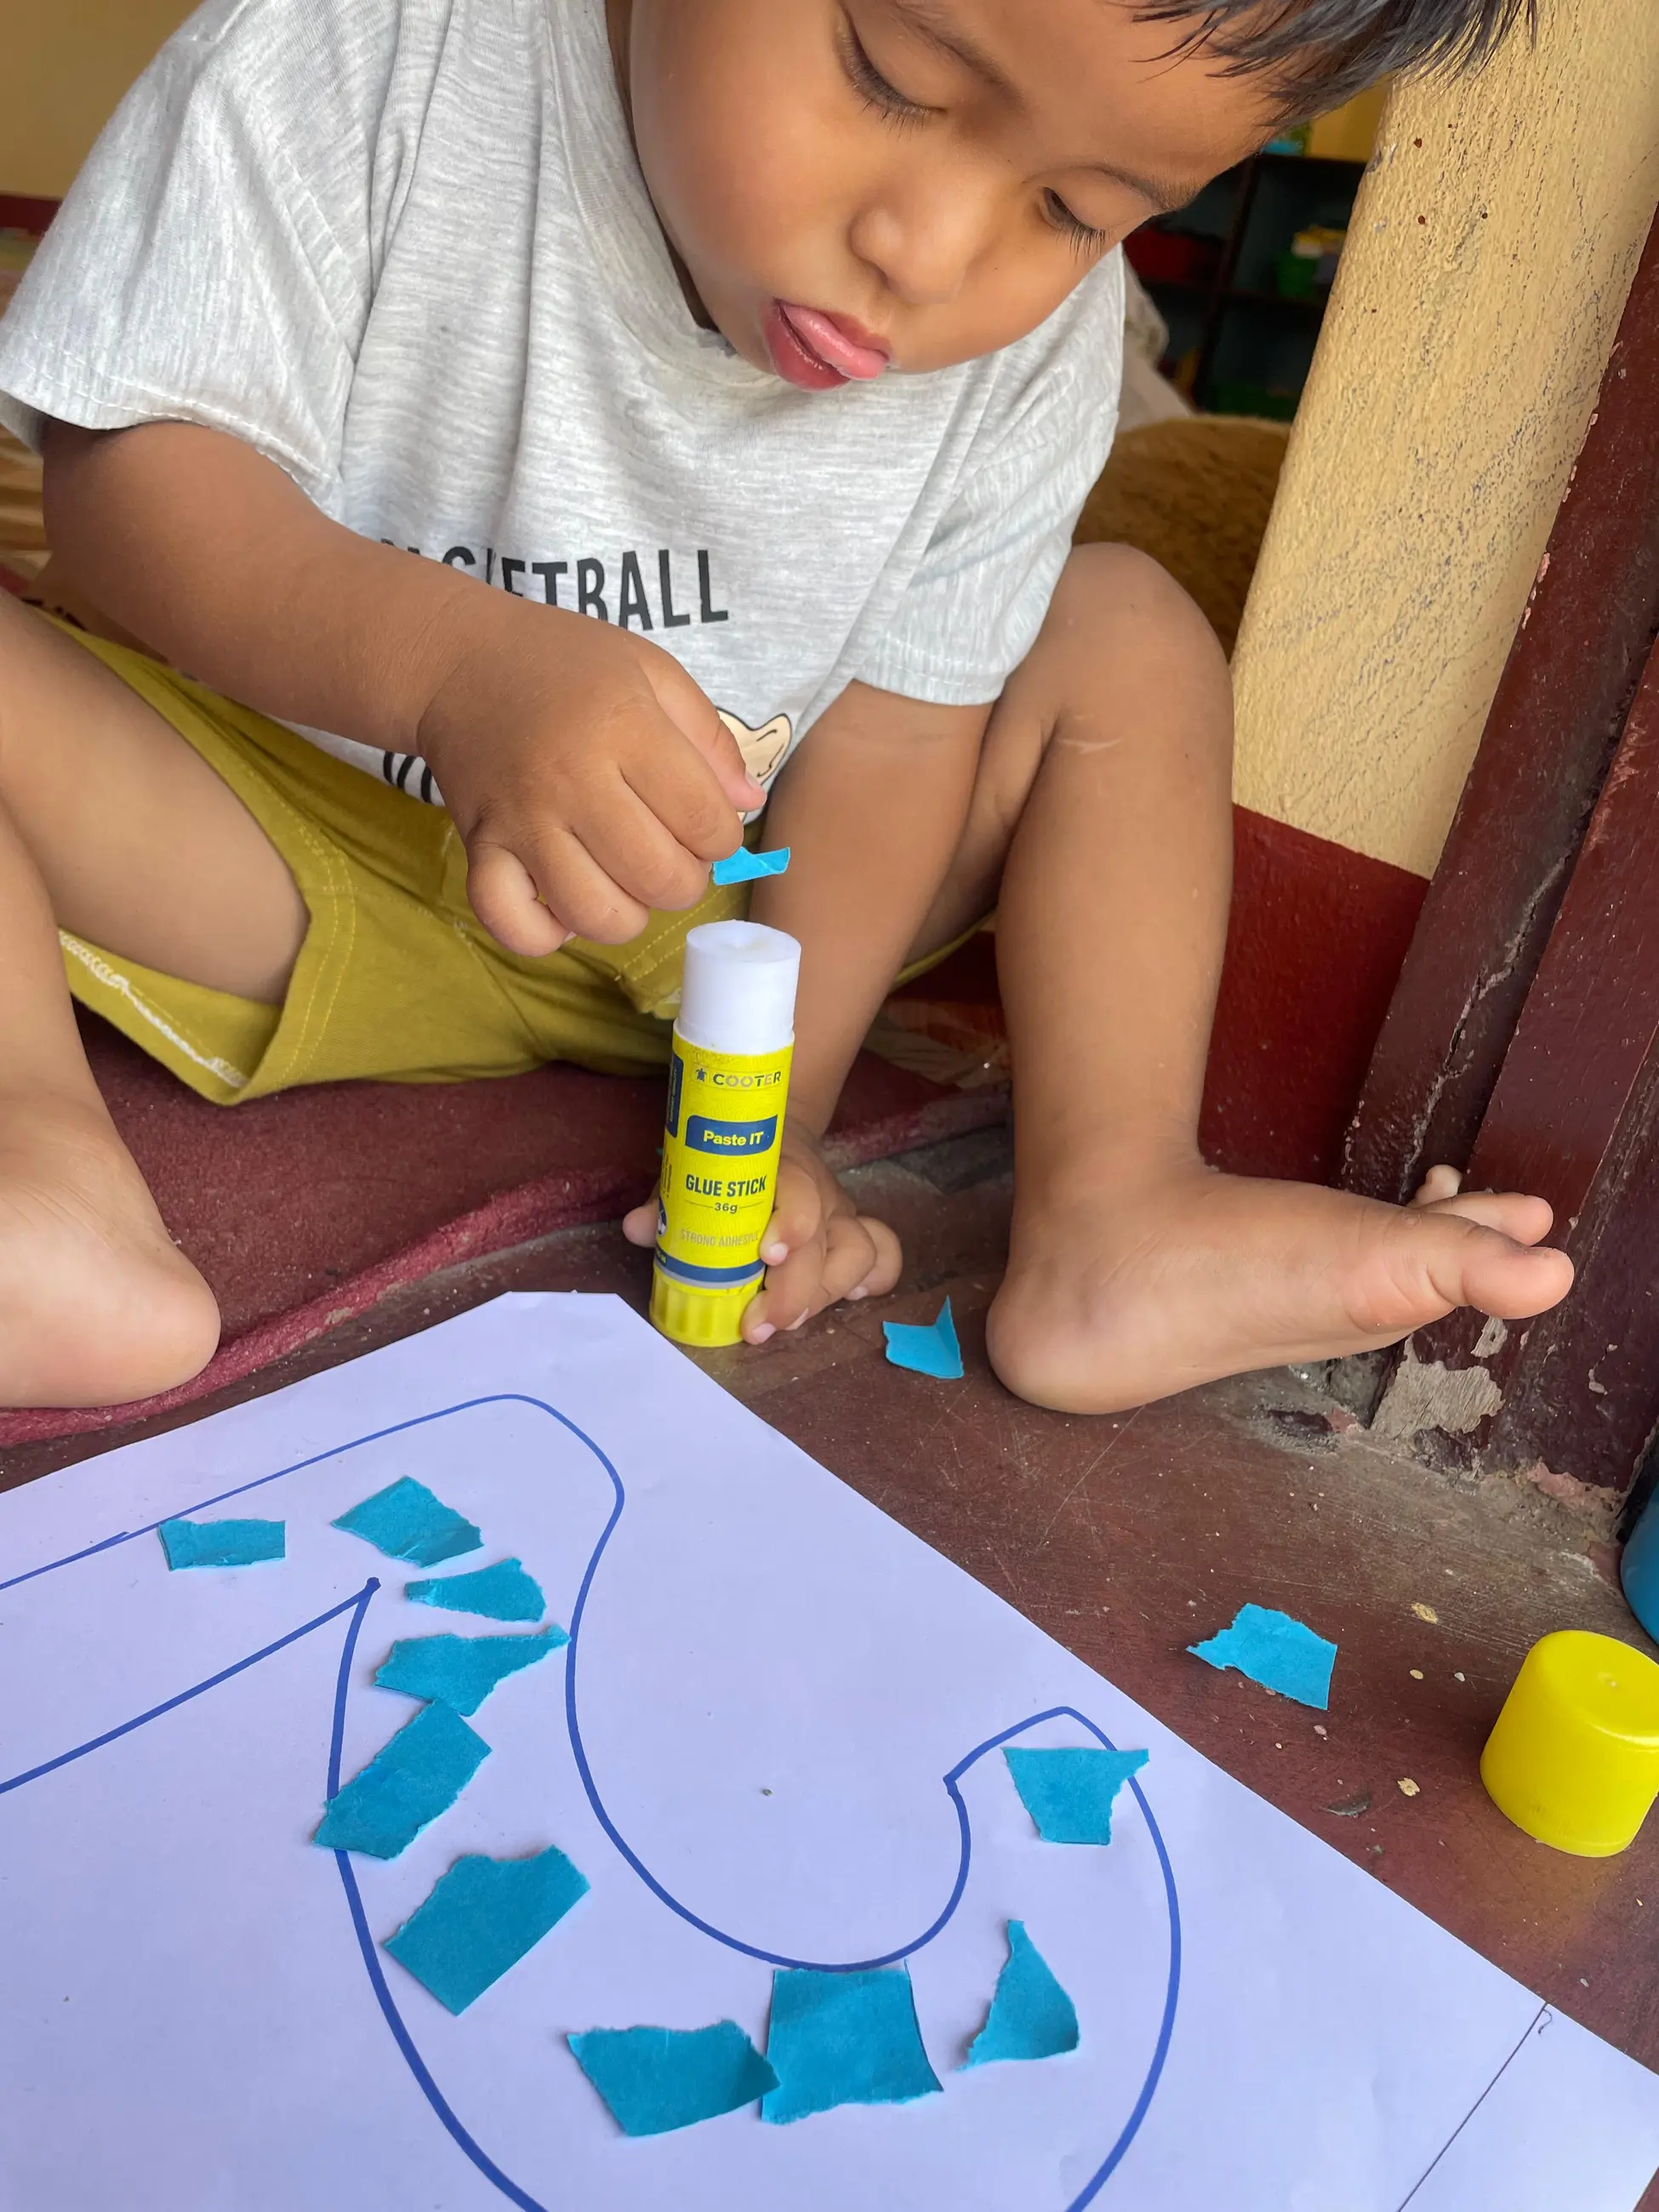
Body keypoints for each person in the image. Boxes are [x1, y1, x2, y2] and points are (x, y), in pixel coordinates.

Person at [0, 0, 1568, 1414]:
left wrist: (775, 1112)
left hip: (743, 909)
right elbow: (129, 490)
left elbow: (902, 734)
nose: (929, 251)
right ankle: (36, 1166)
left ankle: (1116, 1211)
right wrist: (450, 672)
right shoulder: (359, 47)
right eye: (893, 76)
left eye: (1073, 212)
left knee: (1126, 631)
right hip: (293, 856)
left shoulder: (1036, 349)